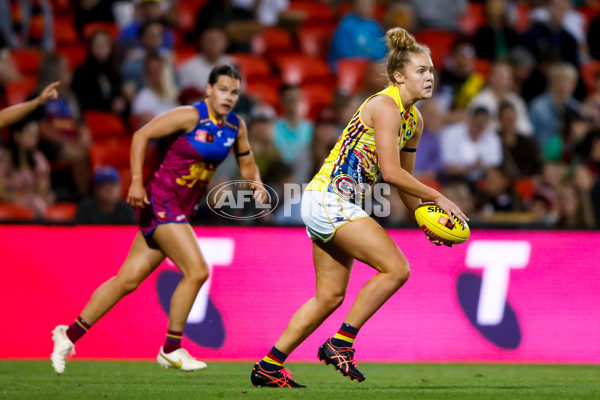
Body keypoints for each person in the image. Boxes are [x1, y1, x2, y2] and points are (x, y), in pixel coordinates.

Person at [250, 27, 468, 388]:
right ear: (399, 76)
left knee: (329, 297)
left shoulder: (414, 121)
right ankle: (341, 343)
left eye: (431, 70)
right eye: (421, 71)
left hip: (331, 203)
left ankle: (269, 366)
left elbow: (404, 180)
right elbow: (391, 172)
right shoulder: (384, 105)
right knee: (396, 269)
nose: (429, 76)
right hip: (329, 200)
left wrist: (422, 217)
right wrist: (439, 197)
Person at [51, 65, 267, 374]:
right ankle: (171, 348)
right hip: (161, 200)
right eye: (222, 89)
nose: (228, 97)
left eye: (234, 92)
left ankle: (68, 335)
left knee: (127, 280)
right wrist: (137, 181)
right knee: (197, 270)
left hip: (179, 208)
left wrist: (255, 182)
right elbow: (142, 135)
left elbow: (246, 162)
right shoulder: (191, 116)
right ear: (208, 90)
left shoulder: (236, 125)